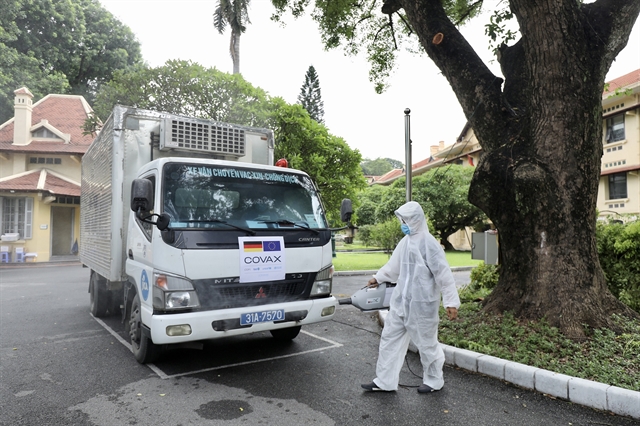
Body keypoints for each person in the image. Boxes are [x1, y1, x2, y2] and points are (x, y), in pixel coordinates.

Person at [361, 201, 460, 394]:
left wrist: (451, 302)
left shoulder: (429, 243)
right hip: (401, 302)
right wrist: (377, 278)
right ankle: (385, 381)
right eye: (402, 219)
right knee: (390, 339)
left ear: (415, 220)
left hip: (423, 305)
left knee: (427, 343)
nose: (402, 223)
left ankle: (434, 380)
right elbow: (393, 266)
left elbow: (443, 275)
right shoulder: (405, 242)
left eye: (405, 220)